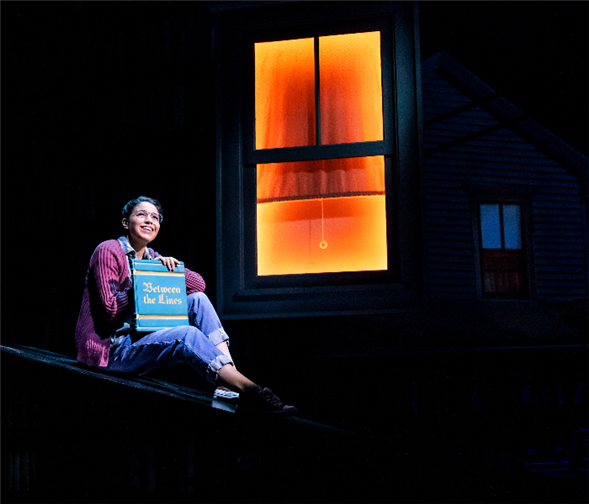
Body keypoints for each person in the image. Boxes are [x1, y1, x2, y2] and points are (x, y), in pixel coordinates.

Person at [75, 196, 297, 416]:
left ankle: (228, 382)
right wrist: (145, 280)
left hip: (137, 337)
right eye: (141, 215)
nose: (149, 220)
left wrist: (167, 268)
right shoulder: (108, 250)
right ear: (126, 222)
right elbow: (111, 310)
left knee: (198, 299)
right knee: (187, 335)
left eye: (155, 217)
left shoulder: (152, 258)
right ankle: (249, 390)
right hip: (110, 351)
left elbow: (198, 285)